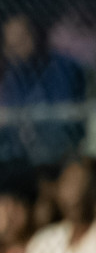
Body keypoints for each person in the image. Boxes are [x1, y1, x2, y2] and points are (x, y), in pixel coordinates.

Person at [0, 14, 85, 171]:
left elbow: (64, 124)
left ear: (36, 35)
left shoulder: (63, 69)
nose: (17, 46)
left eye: (23, 38)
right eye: (11, 44)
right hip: (19, 162)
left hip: (62, 157)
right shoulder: (10, 78)